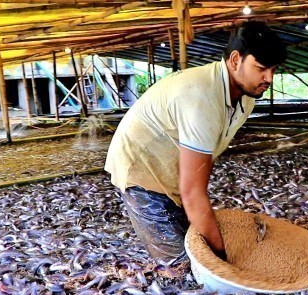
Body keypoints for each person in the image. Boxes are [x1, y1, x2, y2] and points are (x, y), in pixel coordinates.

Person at [105, 21, 286, 265]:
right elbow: (193, 192)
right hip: (141, 169)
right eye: (262, 68)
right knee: (181, 264)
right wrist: (222, 259)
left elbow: (196, 175)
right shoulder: (200, 97)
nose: (269, 79)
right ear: (235, 60)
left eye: (273, 70)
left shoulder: (246, 97)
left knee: (193, 235)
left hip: (172, 170)